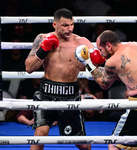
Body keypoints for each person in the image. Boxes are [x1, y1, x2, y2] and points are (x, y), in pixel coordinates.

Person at [74, 30, 137, 150]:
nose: (101, 54)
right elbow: (128, 73)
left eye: (100, 50)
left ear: (108, 45)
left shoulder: (112, 61)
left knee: (113, 144)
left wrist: (88, 64)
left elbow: (104, 84)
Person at [25, 8, 105, 150]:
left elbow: (99, 67)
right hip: (46, 93)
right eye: (65, 25)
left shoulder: (82, 42)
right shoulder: (42, 38)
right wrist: (43, 49)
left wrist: (95, 61)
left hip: (70, 95)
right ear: (54, 24)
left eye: (71, 25)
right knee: (39, 136)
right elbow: (29, 68)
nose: (69, 29)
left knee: (83, 145)